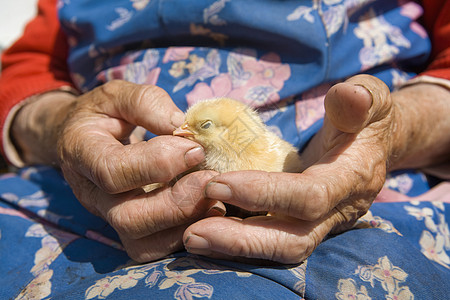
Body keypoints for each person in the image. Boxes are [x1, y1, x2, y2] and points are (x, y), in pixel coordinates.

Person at [0, 0, 449, 298]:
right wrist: (63, 124)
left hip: (361, 189)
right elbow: (28, 68)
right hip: (75, 186)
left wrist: (384, 134)